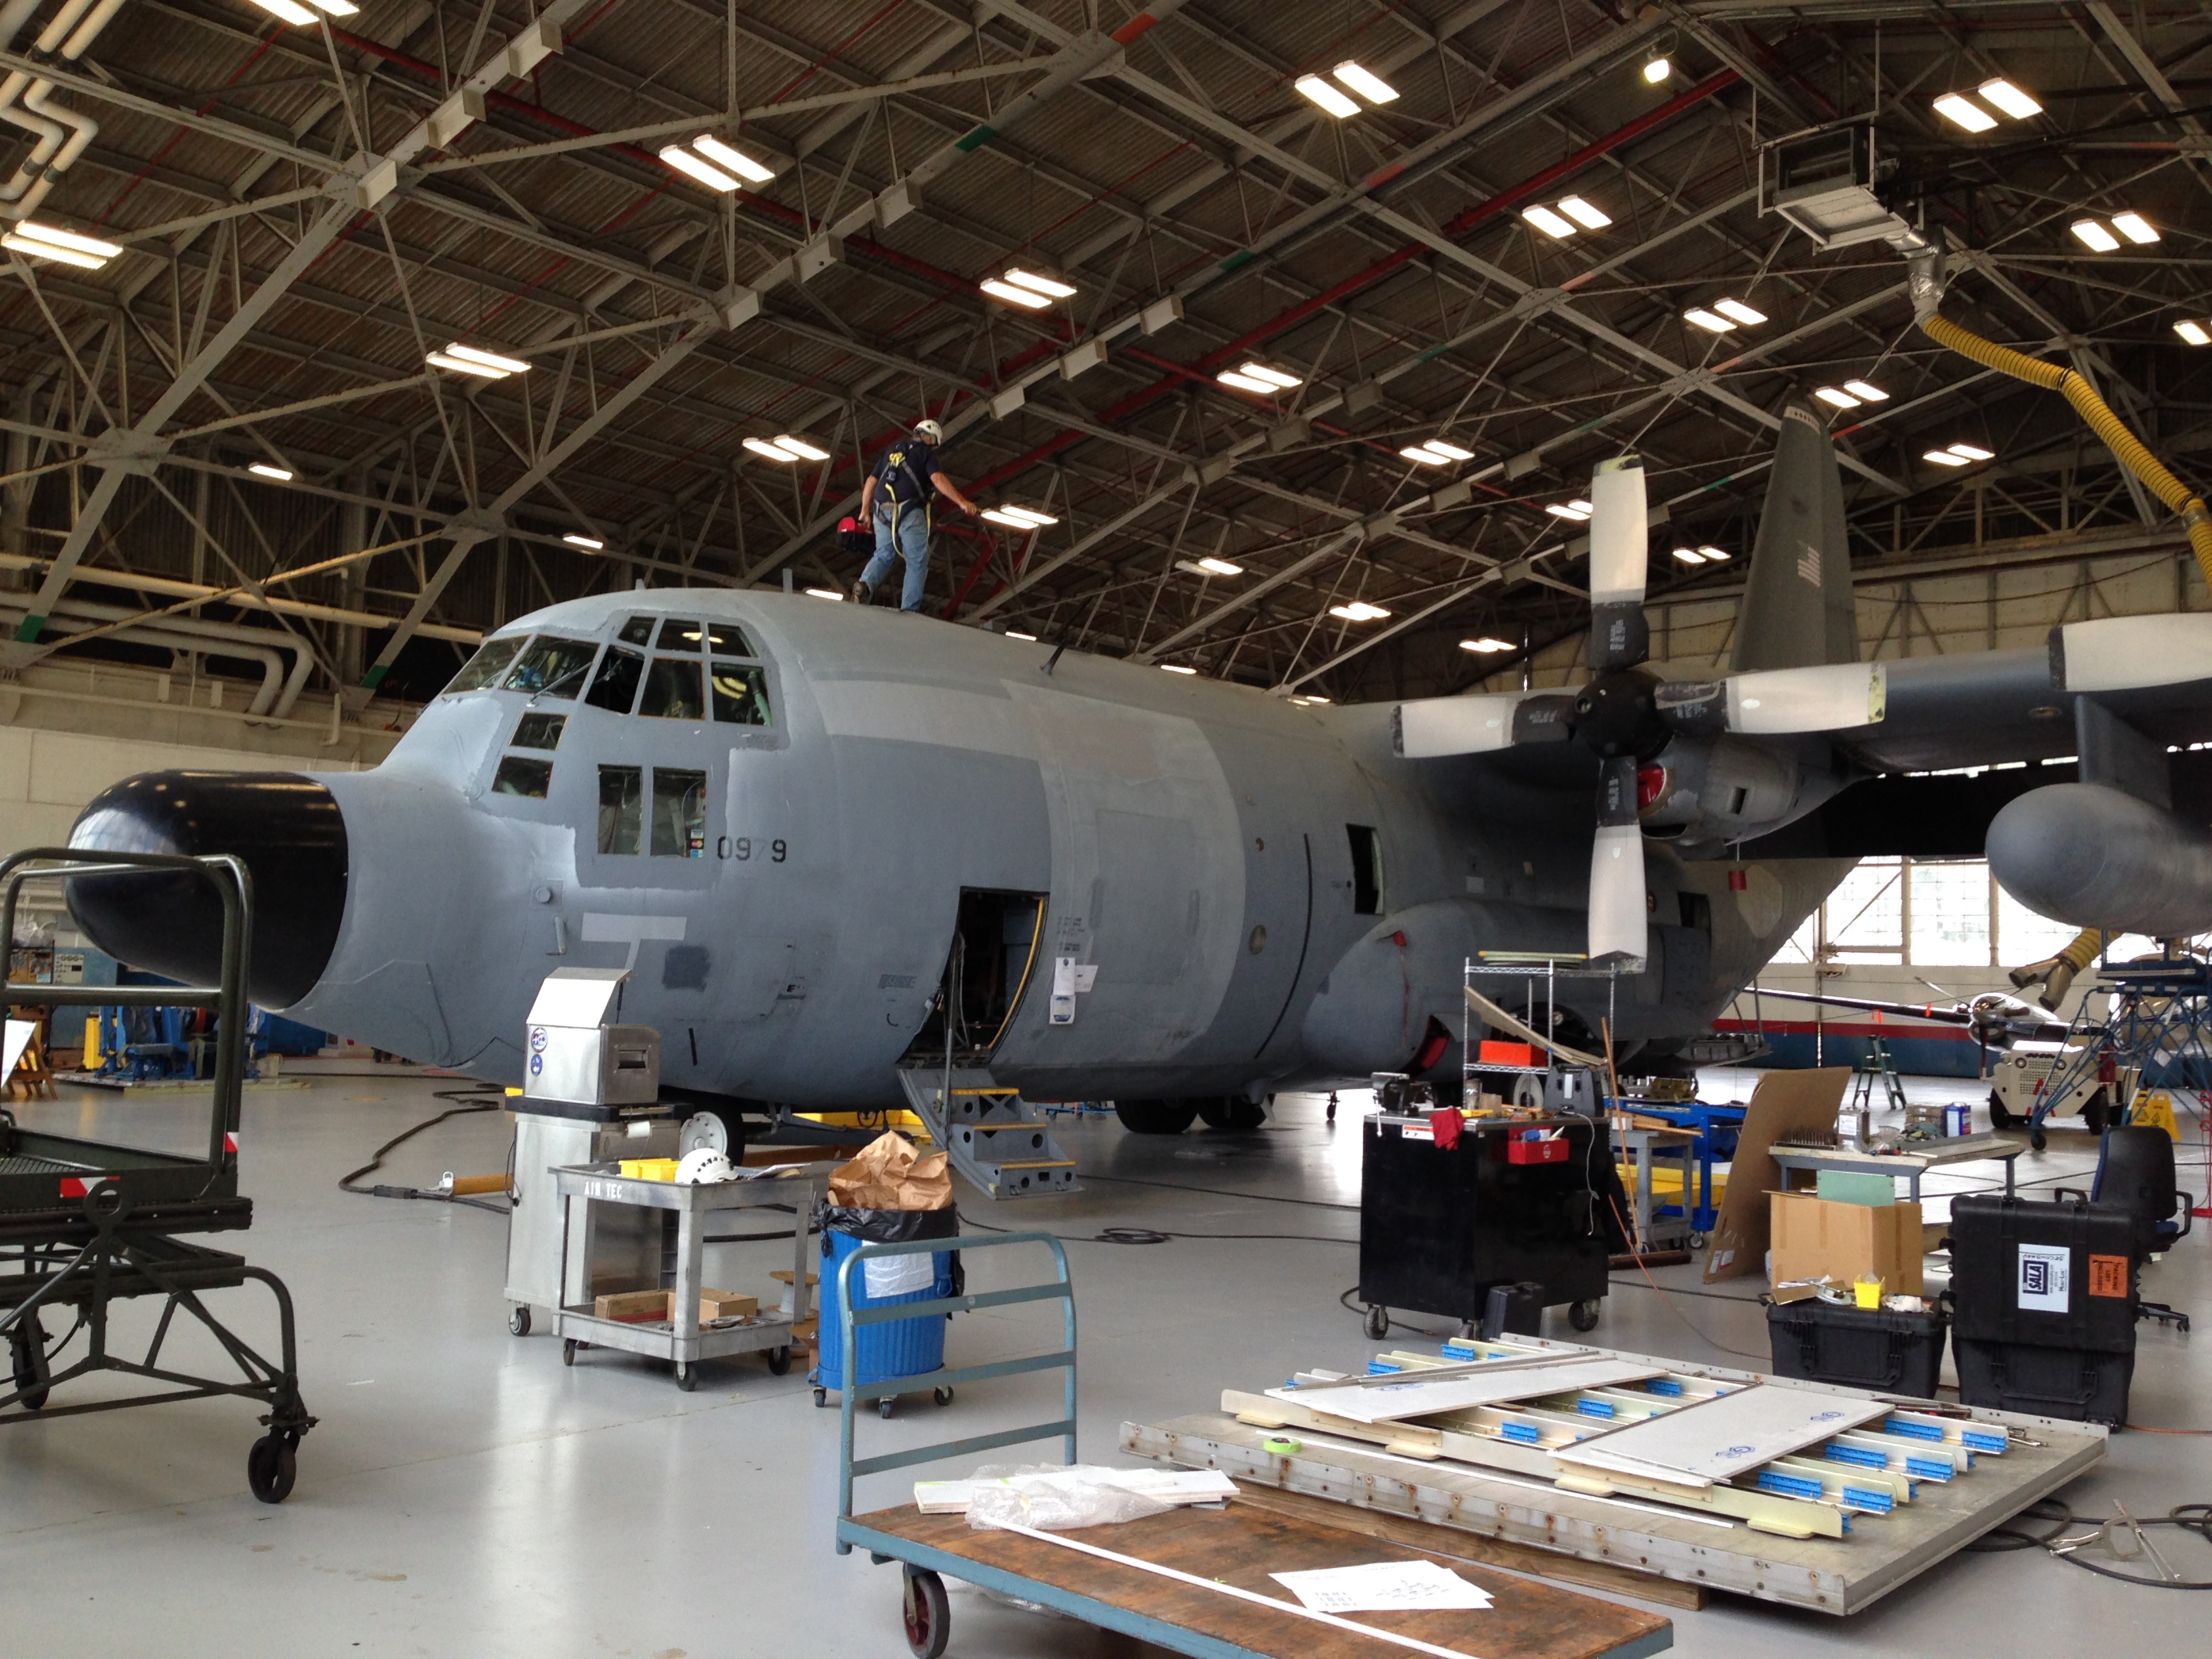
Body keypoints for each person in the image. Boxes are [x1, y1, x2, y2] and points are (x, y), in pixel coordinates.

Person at [854, 418, 979, 611]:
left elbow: (871, 481)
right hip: (909, 511)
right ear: (930, 439)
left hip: (880, 510)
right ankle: (909, 609)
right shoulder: (926, 453)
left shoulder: (891, 450)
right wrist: (962, 502)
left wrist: (865, 511)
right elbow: (937, 478)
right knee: (917, 560)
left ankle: (864, 585)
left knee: (883, 554)